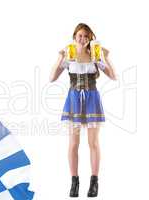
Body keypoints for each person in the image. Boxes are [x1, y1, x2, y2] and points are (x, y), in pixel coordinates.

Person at [50, 23, 116, 197]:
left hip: (92, 99)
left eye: (86, 36)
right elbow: (52, 78)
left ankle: (94, 182)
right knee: (73, 144)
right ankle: (74, 182)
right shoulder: (69, 56)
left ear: (90, 38)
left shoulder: (95, 55)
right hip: (74, 101)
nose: (83, 39)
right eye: (80, 35)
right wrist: (60, 57)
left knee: (93, 143)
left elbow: (114, 76)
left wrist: (106, 57)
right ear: (74, 37)